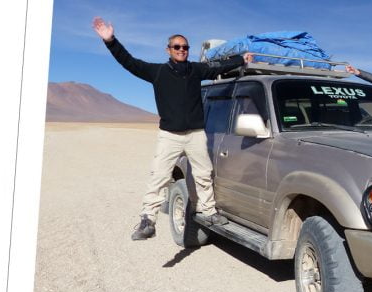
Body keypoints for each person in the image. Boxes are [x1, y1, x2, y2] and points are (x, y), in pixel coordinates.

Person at [91, 17, 254, 240]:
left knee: (204, 174)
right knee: (159, 176)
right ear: (168, 50)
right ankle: (148, 220)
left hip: (195, 134)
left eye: (185, 47)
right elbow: (128, 62)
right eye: (177, 47)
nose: (181, 50)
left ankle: (209, 211)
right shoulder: (157, 72)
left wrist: (241, 60)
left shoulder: (196, 70)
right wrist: (110, 41)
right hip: (170, 135)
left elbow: (218, 66)